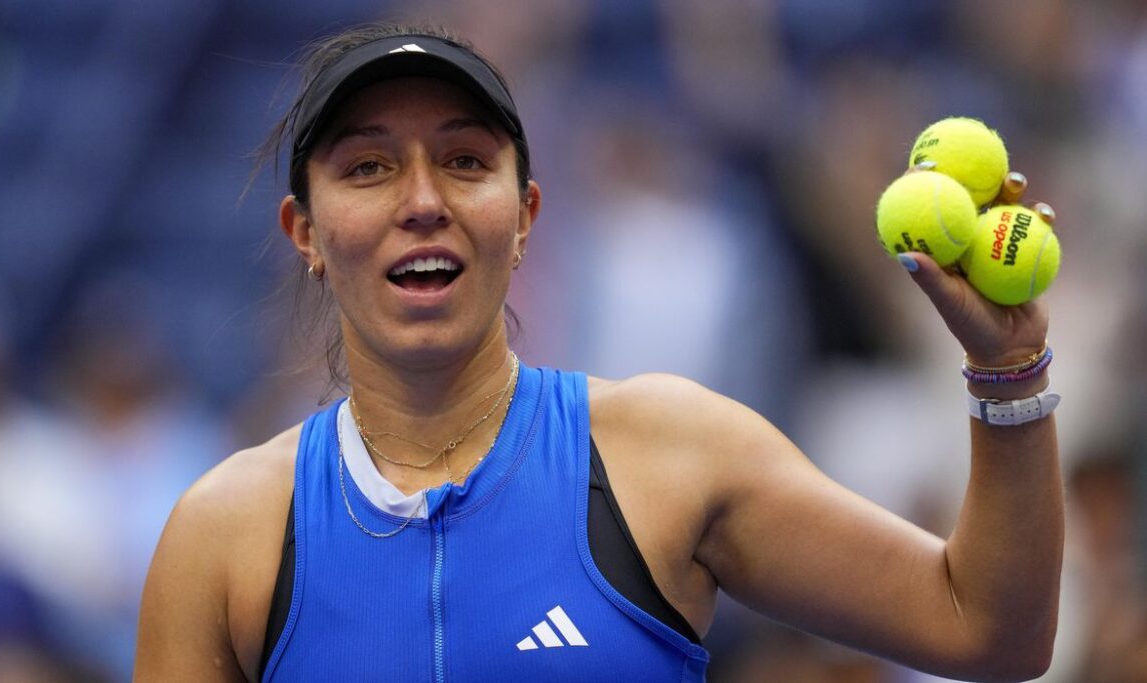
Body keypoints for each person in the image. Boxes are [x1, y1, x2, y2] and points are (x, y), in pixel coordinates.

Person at [134, 23, 1063, 682]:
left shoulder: (670, 450)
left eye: (465, 160)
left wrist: (1008, 371)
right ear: (305, 231)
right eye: (368, 166)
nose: (423, 200)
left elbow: (988, 629)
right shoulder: (224, 536)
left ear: (528, 217)